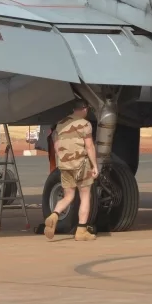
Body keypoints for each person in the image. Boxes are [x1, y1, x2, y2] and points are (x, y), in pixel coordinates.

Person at [43, 99, 99, 241]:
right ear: (84, 109)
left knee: (68, 196)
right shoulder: (85, 124)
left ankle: (54, 214)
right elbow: (90, 146)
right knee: (85, 196)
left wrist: (63, 159)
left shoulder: (61, 124)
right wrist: (95, 165)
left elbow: (56, 144)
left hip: (65, 165)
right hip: (81, 164)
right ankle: (81, 231)